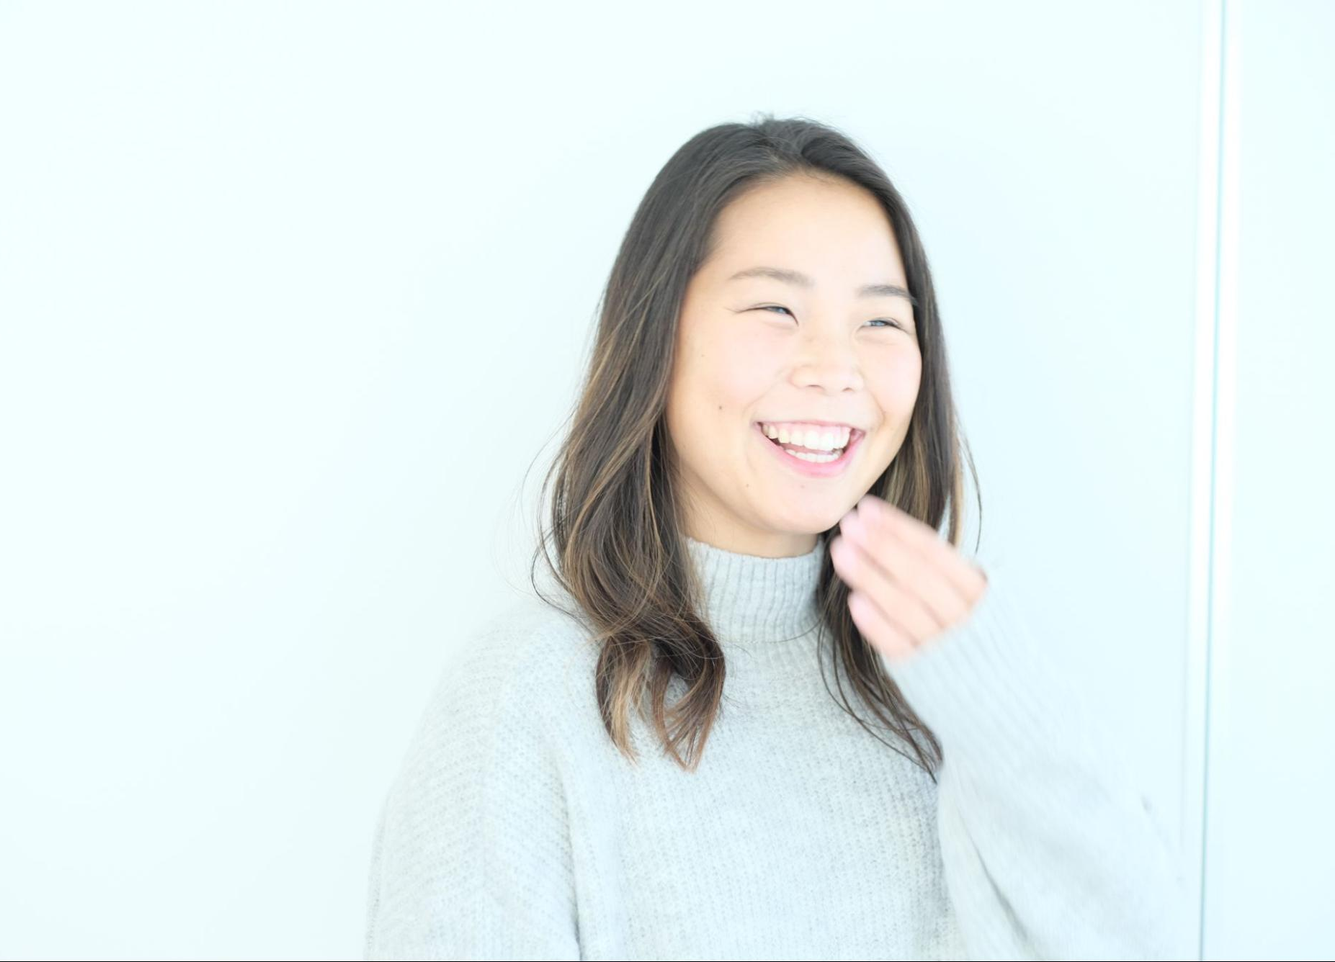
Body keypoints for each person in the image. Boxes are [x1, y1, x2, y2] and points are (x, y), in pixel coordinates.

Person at [363, 115, 1188, 960]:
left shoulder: (950, 688)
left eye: (881, 321)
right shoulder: (525, 703)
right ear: (657, 337)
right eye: (776, 309)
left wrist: (995, 704)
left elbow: (1143, 940)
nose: (835, 369)